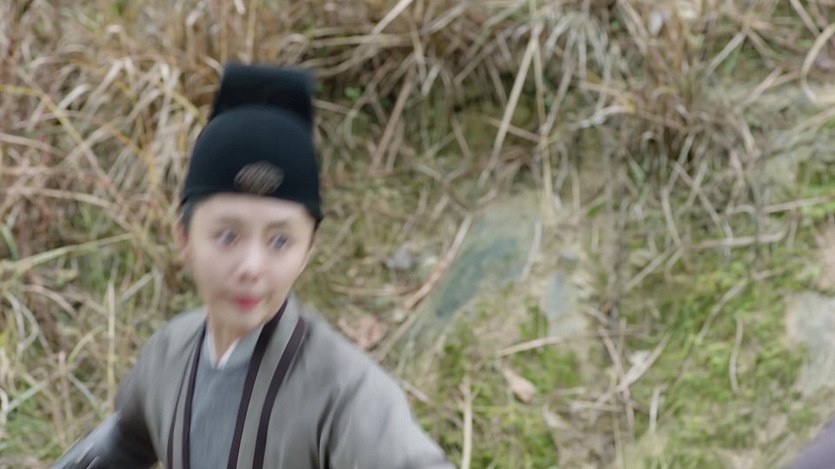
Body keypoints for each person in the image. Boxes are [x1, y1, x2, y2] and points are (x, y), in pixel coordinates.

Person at [53, 63, 453, 469]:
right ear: (184, 238)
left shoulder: (346, 390)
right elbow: (125, 439)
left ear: (308, 251)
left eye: (280, 241)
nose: (251, 267)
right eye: (228, 236)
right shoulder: (168, 353)